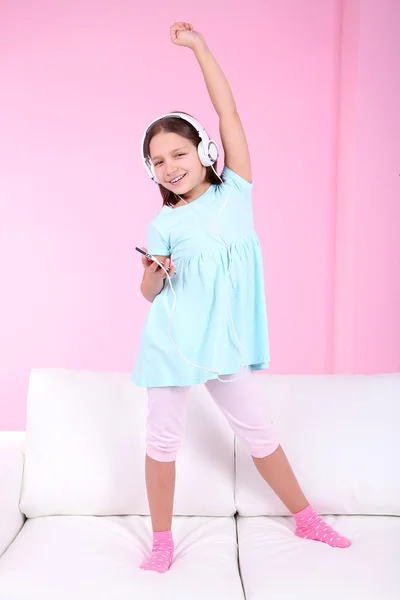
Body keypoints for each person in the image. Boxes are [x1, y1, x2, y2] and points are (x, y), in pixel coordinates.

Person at [132, 22, 351, 574]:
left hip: (223, 344)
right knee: (162, 441)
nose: (170, 167)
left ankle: (304, 516)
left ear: (204, 151)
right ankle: (161, 541)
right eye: (158, 162)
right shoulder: (163, 222)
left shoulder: (237, 190)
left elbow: (229, 112)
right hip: (174, 344)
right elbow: (148, 293)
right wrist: (156, 274)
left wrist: (200, 49)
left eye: (178, 153)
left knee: (260, 433)